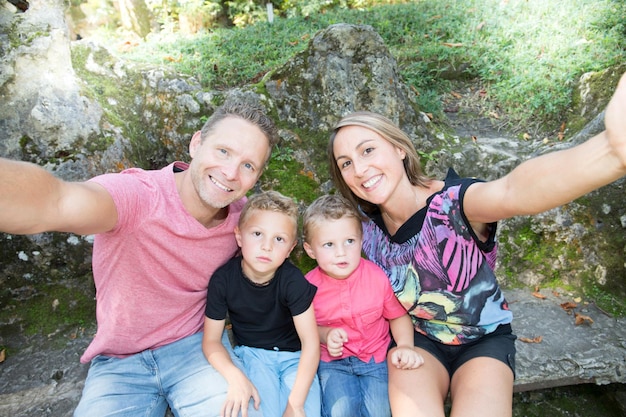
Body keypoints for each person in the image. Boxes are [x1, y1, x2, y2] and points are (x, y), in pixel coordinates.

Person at [326, 71, 626, 417]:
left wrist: (610, 153)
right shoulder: (365, 229)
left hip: (484, 340)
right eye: (346, 163)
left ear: (399, 149)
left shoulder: (452, 203)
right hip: (417, 342)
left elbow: (514, 190)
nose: (360, 169)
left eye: (368, 150)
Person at [0, 101, 280, 417]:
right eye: (223, 152)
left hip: (196, 351)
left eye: (248, 166)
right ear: (196, 143)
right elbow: (58, 201)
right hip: (120, 363)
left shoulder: (243, 220)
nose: (230, 173)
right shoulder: (138, 196)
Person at [302, 194, 424, 417]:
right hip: (332, 363)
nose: (341, 252)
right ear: (311, 251)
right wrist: (325, 334)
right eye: (329, 245)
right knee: (339, 411)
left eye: (349, 241)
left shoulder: (377, 277)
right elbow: (304, 328)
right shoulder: (307, 287)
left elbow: (397, 316)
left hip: (374, 358)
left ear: (361, 240)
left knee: (379, 411)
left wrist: (405, 345)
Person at [203, 190, 321, 417]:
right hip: (253, 356)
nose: (267, 246)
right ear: (239, 237)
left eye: (279, 239)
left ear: (289, 249)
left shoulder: (292, 281)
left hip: (295, 358)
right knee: (256, 410)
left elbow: (310, 344)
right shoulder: (223, 280)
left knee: (304, 412)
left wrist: (295, 403)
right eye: (257, 234)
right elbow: (211, 341)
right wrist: (234, 376)